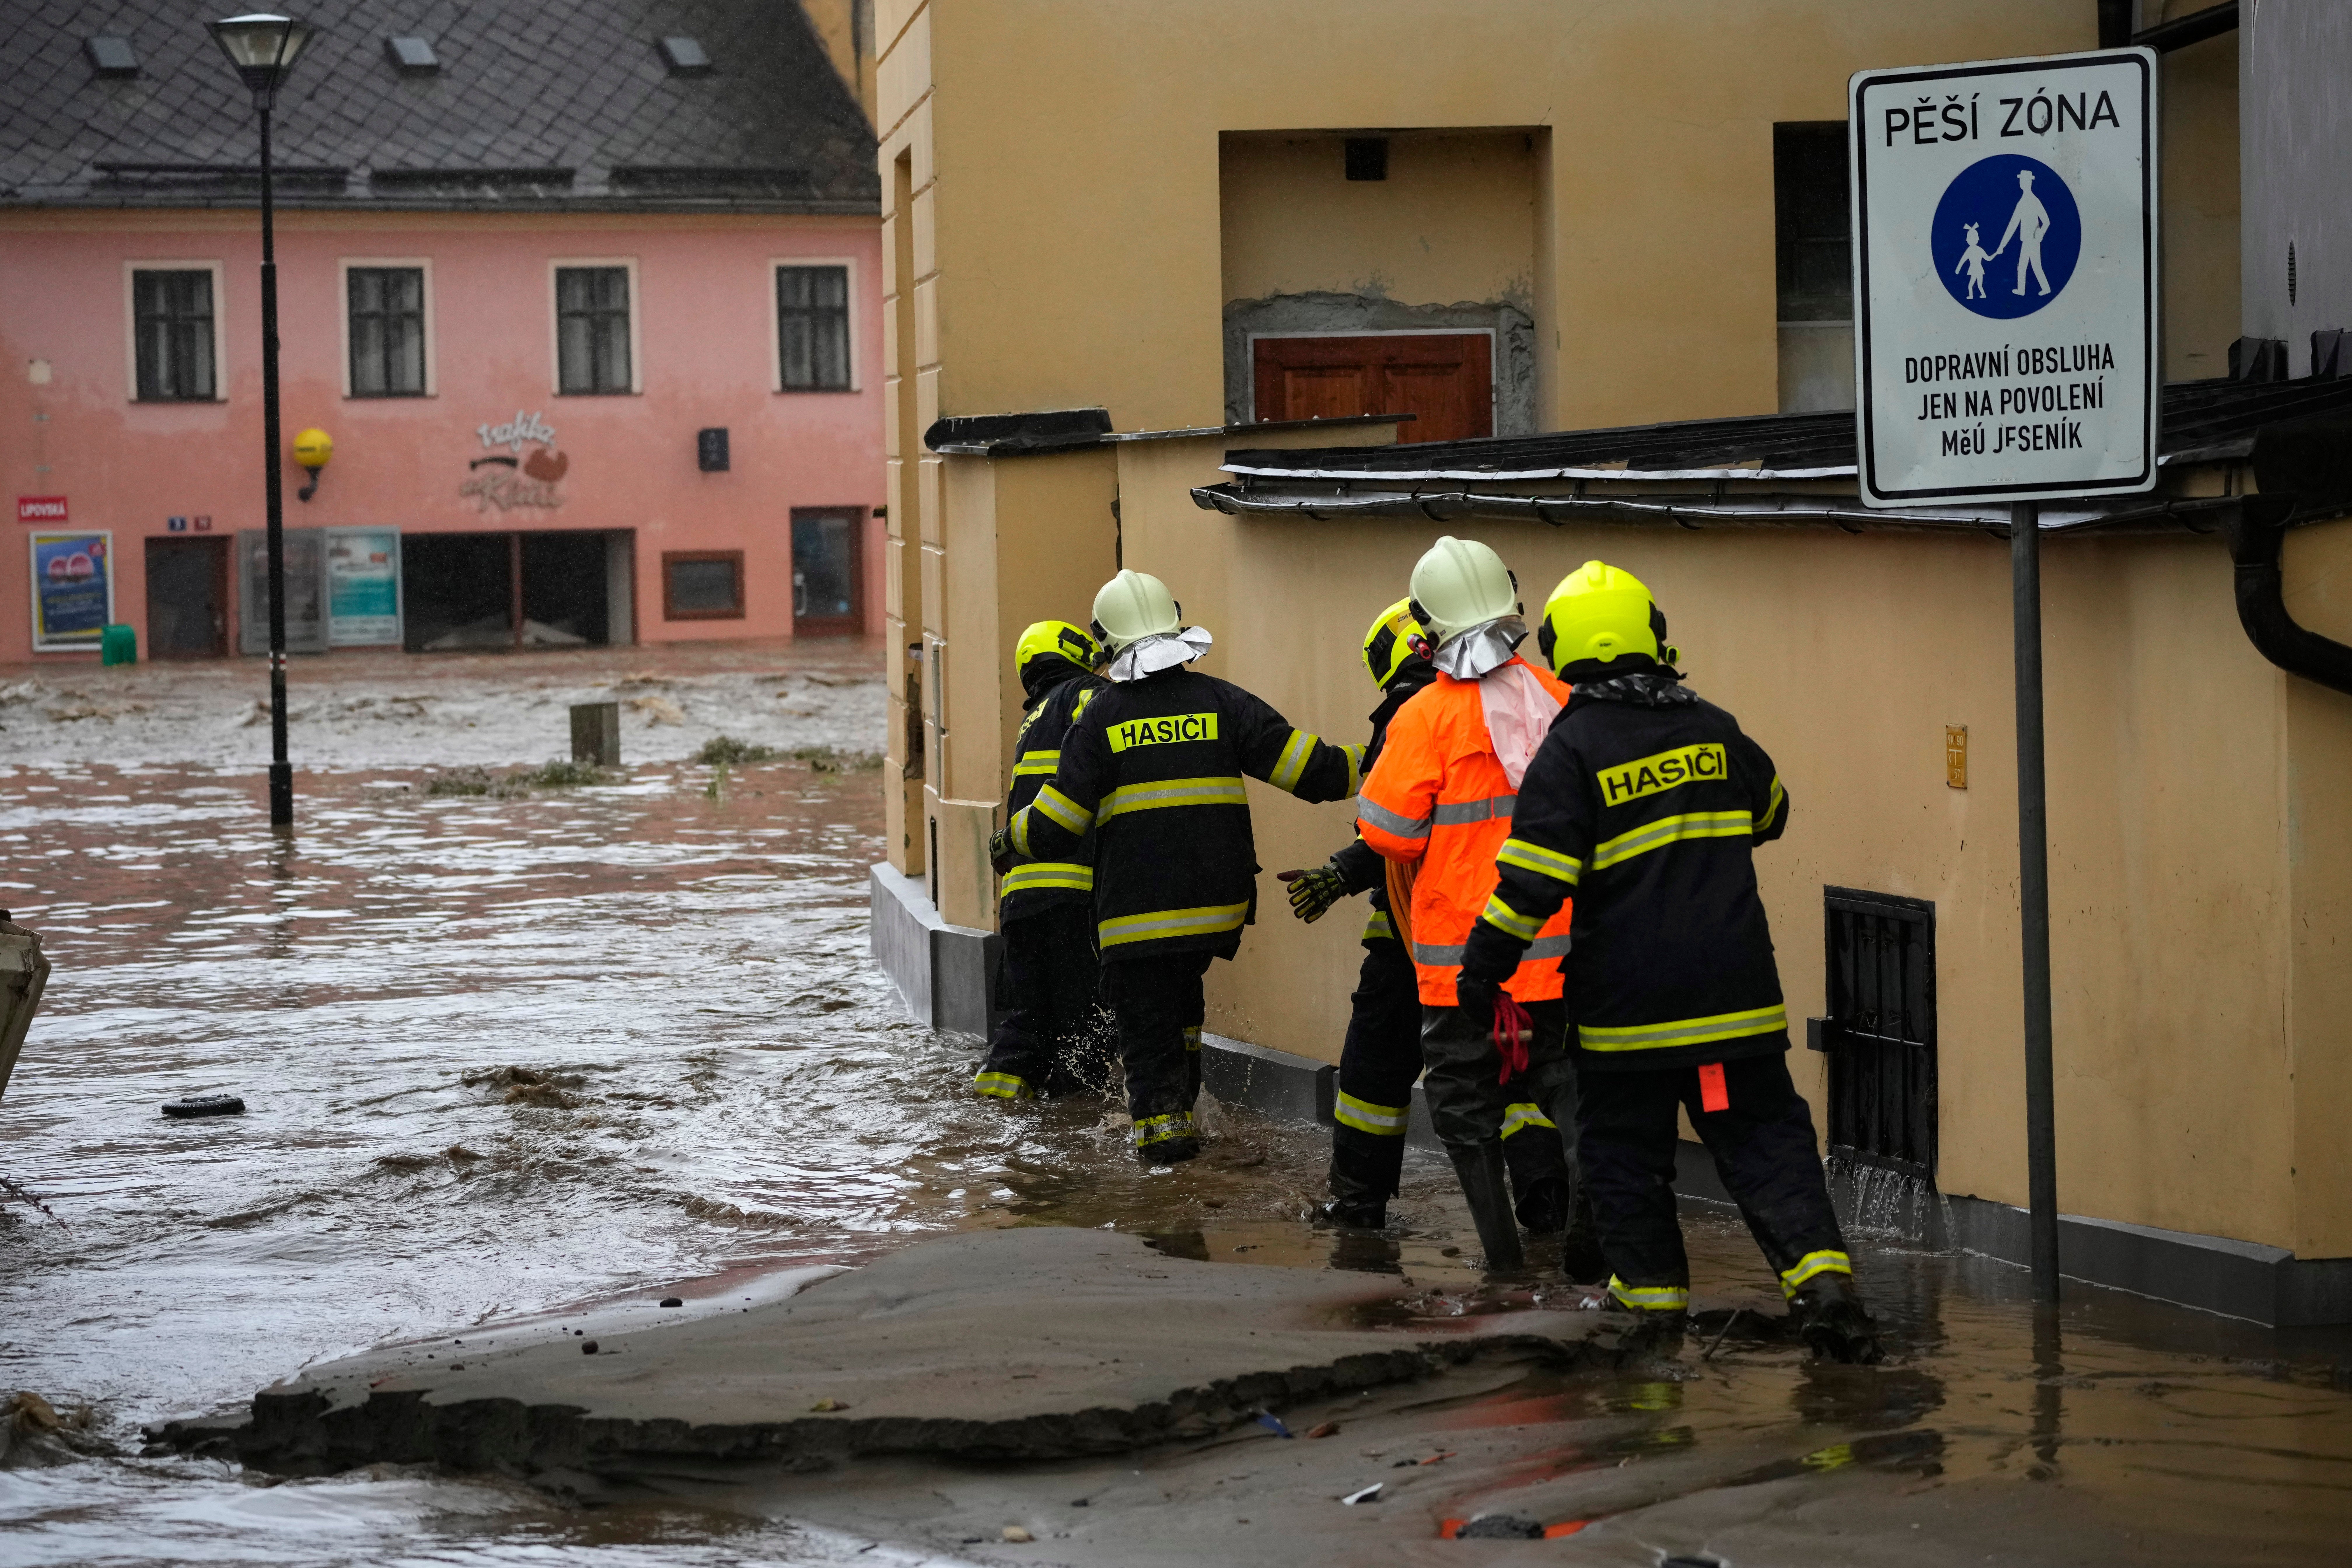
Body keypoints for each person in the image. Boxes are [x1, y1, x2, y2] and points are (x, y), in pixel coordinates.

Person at [1453, 559, 1882, 1363]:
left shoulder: (1570, 750)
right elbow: (1772, 812)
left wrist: (1482, 971)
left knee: (1625, 1157)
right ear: (1652, 637)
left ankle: (1650, 1324)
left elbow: (1530, 886)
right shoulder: (1715, 727)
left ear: (1562, 650)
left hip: (1629, 1018)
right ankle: (1822, 1285)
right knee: (1762, 1146)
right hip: (1735, 1005)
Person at [1004, 569, 1363, 1165]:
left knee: (1145, 1034)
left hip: (1138, 917)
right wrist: (1387, 751)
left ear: (1107, 641)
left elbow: (1056, 825)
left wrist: (1007, 838)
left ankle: (1167, 1171)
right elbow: (1315, 772)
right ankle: (1190, 1114)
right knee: (1181, 1005)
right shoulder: (1221, 701)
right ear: (1175, 626)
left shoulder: (1099, 718)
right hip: (1213, 907)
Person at [1354, 538, 1591, 1276]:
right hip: (1560, 956)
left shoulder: (1424, 717)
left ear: (1427, 630)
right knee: (1576, 1098)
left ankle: (1503, 1265)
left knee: (1465, 1110)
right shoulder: (1560, 699)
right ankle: (1593, 1254)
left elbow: (1387, 833)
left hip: (1459, 964)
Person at [1273, 599, 1438, 1230]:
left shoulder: (1408, 712)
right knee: (1508, 1072)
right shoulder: (1513, 701)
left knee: (1373, 1065)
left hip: (1416, 922)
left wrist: (1339, 872)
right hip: (1507, 922)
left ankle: (1357, 1201)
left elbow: (1394, 826)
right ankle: (1541, 1217)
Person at [974, 620, 1109, 1102]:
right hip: (1073, 896)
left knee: (1030, 1018)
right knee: (1085, 1021)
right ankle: (1072, 1123)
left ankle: (994, 1104)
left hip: (1021, 902)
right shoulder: (1084, 694)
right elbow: (1120, 726)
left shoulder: (1033, 720)